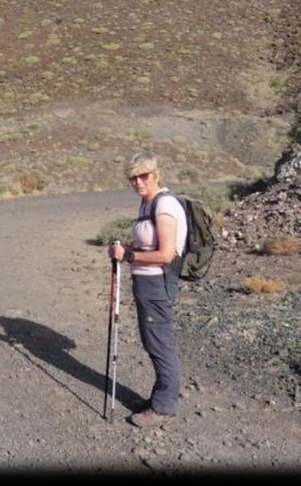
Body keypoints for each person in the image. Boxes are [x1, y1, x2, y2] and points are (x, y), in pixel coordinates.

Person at [107, 152, 186, 427]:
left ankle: (164, 406)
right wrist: (125, 249)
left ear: (155, 175)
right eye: (133, 177)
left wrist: (127, 256)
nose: (138, 181)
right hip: (145, 283)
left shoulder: (164, 205)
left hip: (156, 284)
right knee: (152, 340)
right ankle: (159, 397)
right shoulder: (146, 203)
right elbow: (145, 247)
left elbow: (165, 255)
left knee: (159, 342)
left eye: (144, 175)